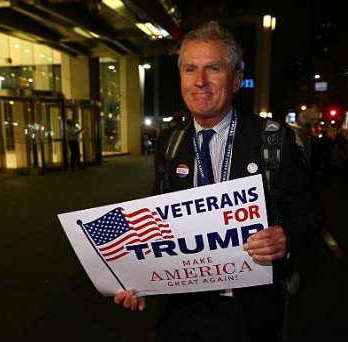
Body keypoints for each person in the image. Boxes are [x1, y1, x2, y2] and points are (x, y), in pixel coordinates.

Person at [114, 21, 322, 342]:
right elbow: (156, 224)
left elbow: (309, 214)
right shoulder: (171, 144)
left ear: (236, 80)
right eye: (189, 69)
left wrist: (286, 236)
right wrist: (137, 279)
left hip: (247, 311)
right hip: (180, 309)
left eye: (213, 68)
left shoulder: (273, 141)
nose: (199, 81)